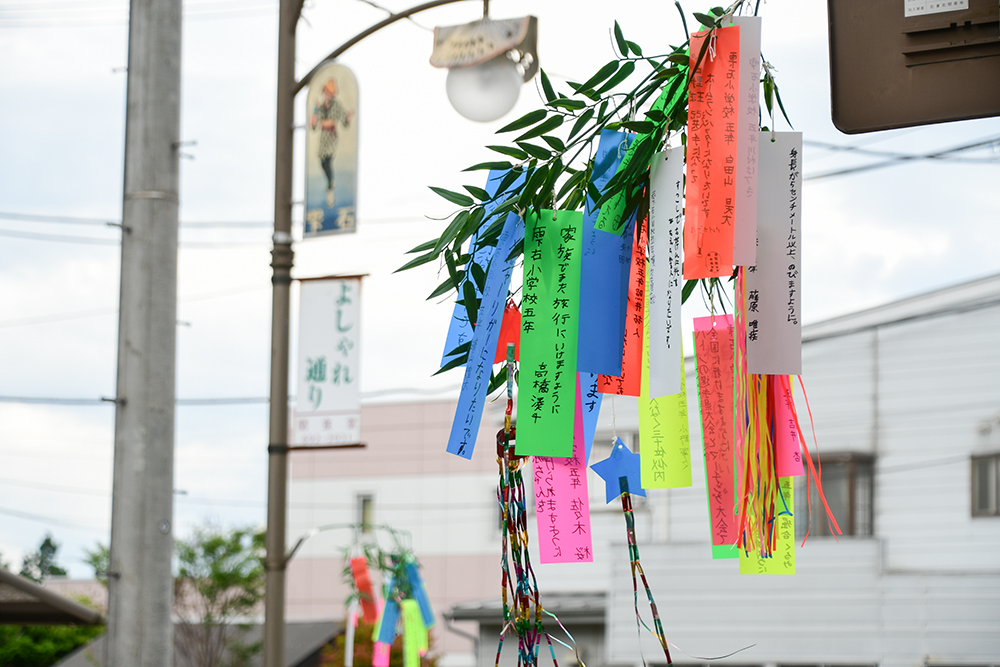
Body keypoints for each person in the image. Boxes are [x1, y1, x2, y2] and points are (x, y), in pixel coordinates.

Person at [310, 78, 353, 208]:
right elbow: (314, 125)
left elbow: (344, 121)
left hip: (332, 136)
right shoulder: (321, 107)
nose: (327, 95)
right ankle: (330, 182)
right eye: (325, 92)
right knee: (322, 161)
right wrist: (314, 117)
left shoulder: (337, 105)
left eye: (329, 92)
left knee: (328, 159)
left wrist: (347, 118)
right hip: (323, 137)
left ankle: (330, 185)